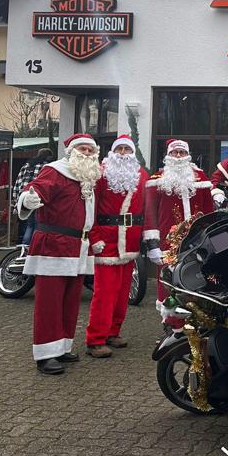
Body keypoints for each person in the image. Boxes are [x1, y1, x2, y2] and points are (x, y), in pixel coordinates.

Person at [16, 134, 101, 375]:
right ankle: (45, 355)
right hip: (54, 245)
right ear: (71, 151)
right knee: (49, 302)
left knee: (70, 301)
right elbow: (34, 189)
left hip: (78, 246)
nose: (87, 153)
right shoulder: (55, 171)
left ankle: (62, 347)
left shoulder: (88, 177)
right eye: (82, 149)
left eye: (90, 150)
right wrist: (29, 198)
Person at [85, 135, 148, 357]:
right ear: (112, 152)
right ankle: (95, 339)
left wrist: (146, 237)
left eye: (126, 149)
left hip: (130, 241)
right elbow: (90, 208)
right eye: (119, 149)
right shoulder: (100, 174)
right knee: (105, 293)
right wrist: (94, 237)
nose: (122, 153)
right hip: (107, 240)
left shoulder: (141, 175)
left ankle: (113, 332)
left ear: (133, 153)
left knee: (122, 294)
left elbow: (146, 208)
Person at [142, 140, 216, 326]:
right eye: (175, 153)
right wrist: (153, 244)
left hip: (196, 241)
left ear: (188, 155)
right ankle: (171, 323)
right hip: (167, 242)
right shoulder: (157, 179)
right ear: (168, 155)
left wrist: (210, 236)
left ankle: (195, 321)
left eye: (182, 152)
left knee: (195, 279)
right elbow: (150, 214)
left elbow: (209, 211)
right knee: (168, 281)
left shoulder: (200, 177)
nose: (178, 156)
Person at [14, 148, 55, 245]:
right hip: (37, 198)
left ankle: (25, 246)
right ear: (48, 156)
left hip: (25, 198)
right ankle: (33, 246)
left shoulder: (26, 166)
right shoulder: (46, 167)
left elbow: (18, 182)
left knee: (29, 225)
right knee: (37, 225)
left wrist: (16, 198)